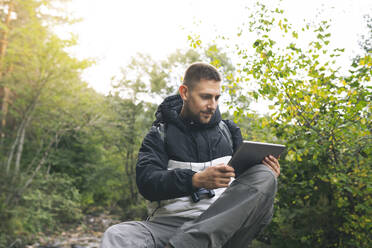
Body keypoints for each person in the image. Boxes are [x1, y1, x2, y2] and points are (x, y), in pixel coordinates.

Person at [101, 62, 281, 248]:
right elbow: (147, 182)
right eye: (205, 97)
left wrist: (268, 176)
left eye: (216, 98)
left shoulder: (230, 132)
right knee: (117, 235)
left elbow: (246, 191)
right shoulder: (159, 135)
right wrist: (195, 180)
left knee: (264, 174)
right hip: (168, 227)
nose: (212, 105)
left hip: (224, 229)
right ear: (185, 92)